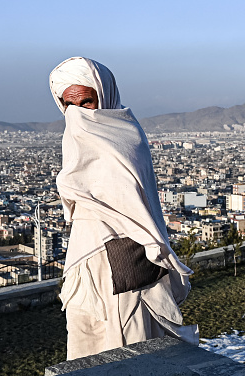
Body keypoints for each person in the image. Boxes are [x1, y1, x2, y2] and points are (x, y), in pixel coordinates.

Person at [50, 57, 198, 360]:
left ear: (103, 96)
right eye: (69, 105)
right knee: (88, 334)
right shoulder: (75, 134)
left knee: (130, 337)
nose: (78, 112)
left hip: (127, 251)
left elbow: (132, 197)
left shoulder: (124, 134)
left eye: (87, 101)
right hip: (87, 250)